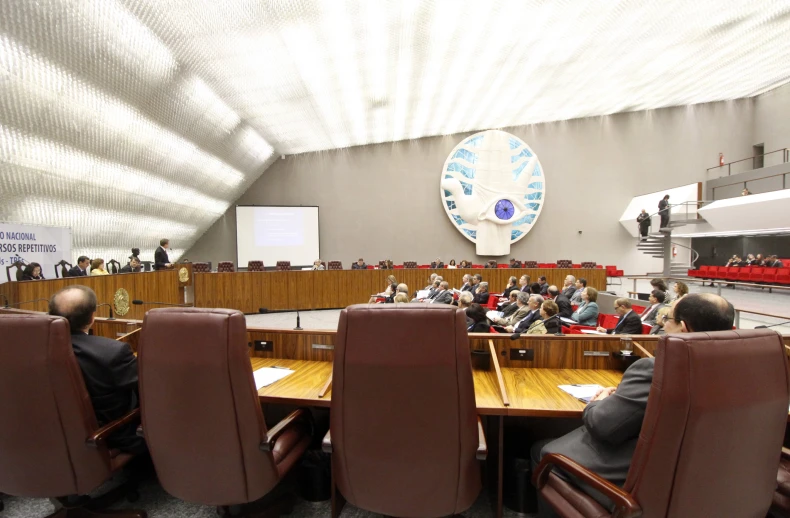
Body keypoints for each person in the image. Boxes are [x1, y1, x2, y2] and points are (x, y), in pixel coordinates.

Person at [532, 294, 735, 515]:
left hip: (638, 483)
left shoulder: (659, 370)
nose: (662, 323)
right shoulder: (745, 370)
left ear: (683, 328)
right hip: (711, 484)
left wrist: (598, 402)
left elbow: (603, 426)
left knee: (543, 451)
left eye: (667, 318)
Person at [48, 285, 145, 454]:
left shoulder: (33, 350)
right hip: (111, 435)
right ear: (93, 317)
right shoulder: (113, 352)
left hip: (54, 431)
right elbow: (147, 388)